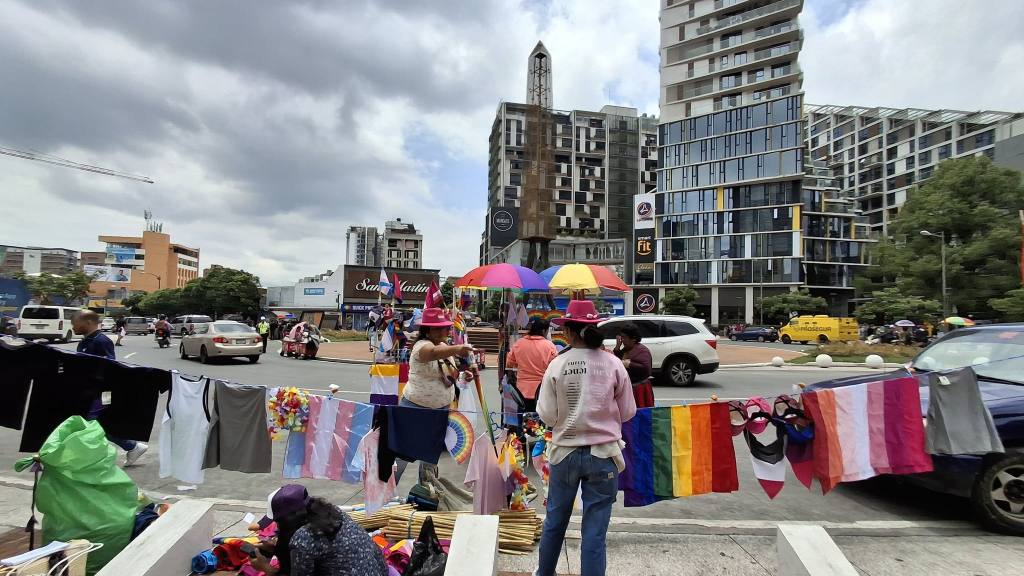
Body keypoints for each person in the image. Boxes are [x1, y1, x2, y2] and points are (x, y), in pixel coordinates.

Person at [536, 300, 637, 576]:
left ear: (568, 331)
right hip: (604, 455)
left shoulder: (558, 365)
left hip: (564, 454)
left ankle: (544, 573)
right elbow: (628, 412)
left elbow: (547, 415)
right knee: (595, 530)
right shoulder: (614, 364)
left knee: (555, 522)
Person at [400, 308, 473, 482]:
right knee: (402, 452)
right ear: (428, 330)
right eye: (439, 328)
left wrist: (462, 376)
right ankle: (385, 490)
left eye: (446, 328)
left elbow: (448, 374)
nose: (445, 331)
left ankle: (426, 489)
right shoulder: (421, 346)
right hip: (415, 407)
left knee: (431, 454)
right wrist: (457, 348)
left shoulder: (444, 348)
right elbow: (430, 354)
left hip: (440, 409)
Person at [72, 311, 148, 466]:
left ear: (88, 322)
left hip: (103, 392)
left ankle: (96, 459)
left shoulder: (101, 341)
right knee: (96, 425)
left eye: (75, 323)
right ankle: (132, 446)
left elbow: (111, 367)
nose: (73, 327)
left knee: (92, 424)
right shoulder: (84, 342)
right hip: (87, 391)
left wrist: (107, 393)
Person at [506, 318, 557, 413]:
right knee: (540, 421)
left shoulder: (519, 343)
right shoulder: (549, 346)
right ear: (544, 331)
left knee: (522, 417)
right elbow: (554, 366)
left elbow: (509, 363)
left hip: (521, 390)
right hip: (542, 390)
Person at [612, 323, 655, 409]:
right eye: (621, 337)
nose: (622, 340)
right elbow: (617, 362)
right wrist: (617, 348)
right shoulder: (626, 349)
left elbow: (646, 369)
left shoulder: (642, 350)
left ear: (633, 339)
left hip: (639, 389)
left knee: (639, 413)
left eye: (624, 337)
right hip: (628, 388)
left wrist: (630, 364)